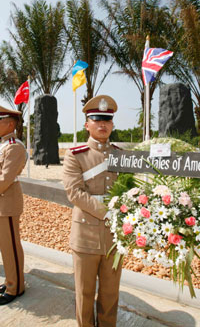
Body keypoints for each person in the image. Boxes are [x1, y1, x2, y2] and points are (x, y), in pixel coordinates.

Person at [63, 95, 122, 327]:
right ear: (87, 124)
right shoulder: (75, 155)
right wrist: (109, 212)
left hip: (116, 237)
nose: (102, 124)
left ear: (112, 124)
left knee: (110, 295)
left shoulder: (121, 155)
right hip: (85, 235)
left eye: (107, 119)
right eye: (97, 119)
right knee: (84, 294)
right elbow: (75, 193)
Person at [0, 104, 27, 306]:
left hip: (8, 200)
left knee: (10, 245)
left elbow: (6, 178)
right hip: (2, 200)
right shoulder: (4, 146)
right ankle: (11, 278)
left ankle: (16, 287)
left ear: (10, 124)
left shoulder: (15, 147)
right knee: (6, 245)